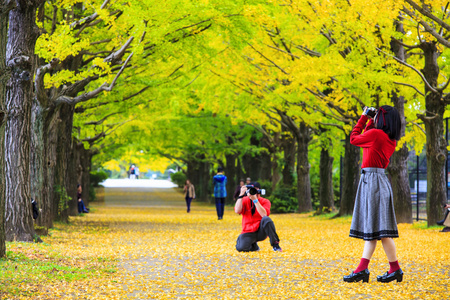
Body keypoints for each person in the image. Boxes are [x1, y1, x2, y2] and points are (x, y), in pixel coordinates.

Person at [343, 105, 403, 284]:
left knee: (377, 231)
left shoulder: (376, 135)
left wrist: (363, 117)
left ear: (382, 120)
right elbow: (367, 135)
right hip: (378, 181)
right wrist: (371, 120)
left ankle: (373, 270)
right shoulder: (387, 138)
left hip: (372, 182)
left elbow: (354, 138)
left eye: (377, 116)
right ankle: (386, 269)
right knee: (378, 232)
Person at [234, 182, 282, 252]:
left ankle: (275, 244)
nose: (253, 193)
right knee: (241, 248)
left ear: (259, 191)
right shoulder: (244, 200)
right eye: (251, 191)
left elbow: (264, 215)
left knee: (266, 219)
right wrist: (241, 195)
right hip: (248, 231)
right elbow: (237, 211)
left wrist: (255, 200)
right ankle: (253, 246)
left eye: (255, 191)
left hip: (261, 232)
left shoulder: (265, 201)